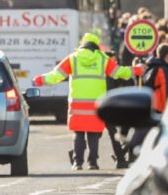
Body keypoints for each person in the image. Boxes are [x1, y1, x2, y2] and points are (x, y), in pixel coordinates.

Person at [33, 33, 136, 170]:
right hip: (96, 104)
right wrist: (137, 69)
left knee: (79, 133)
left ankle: (77, 163)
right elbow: (119, 72)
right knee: (93, 134)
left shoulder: (73, 59)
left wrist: (41, 79)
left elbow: (56, 76)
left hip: (77, 104)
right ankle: (93, 163)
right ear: (96, 45)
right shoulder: (102, 59)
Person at [143, 44, 168, 114]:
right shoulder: (163, 69)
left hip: (154, 106)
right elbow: (166, 90)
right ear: (167, 56)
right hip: (161, 108)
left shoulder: (154, 66)